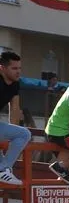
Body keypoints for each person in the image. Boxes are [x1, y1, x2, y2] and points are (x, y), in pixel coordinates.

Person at [0, 50, 29, 186]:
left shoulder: (15, 83)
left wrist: (11, 136)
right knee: (24, 134)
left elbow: (15, 109)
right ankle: (3, 170)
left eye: (19, 68)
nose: (18, 72)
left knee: (21, 133)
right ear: (2, 68)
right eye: (14, 68)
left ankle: (3, 169)